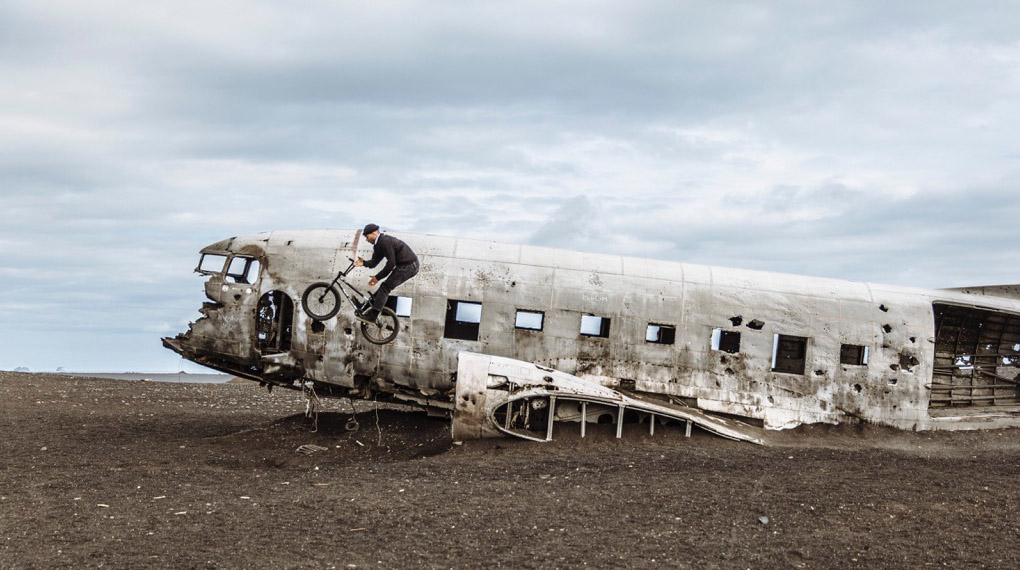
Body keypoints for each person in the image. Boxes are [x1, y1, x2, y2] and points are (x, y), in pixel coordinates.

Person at [354, 223, 419, 323]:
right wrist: (364, 263)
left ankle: (373, 317)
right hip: (403, 266)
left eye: (367, 237)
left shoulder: (385, 241)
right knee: (382, 288)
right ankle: (363, 307)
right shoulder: (378, 245)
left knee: (385, 287)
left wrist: (377, 277)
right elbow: (374, 262)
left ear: (374, 233)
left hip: (409, 266)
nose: (367, 240)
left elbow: (391, 263)